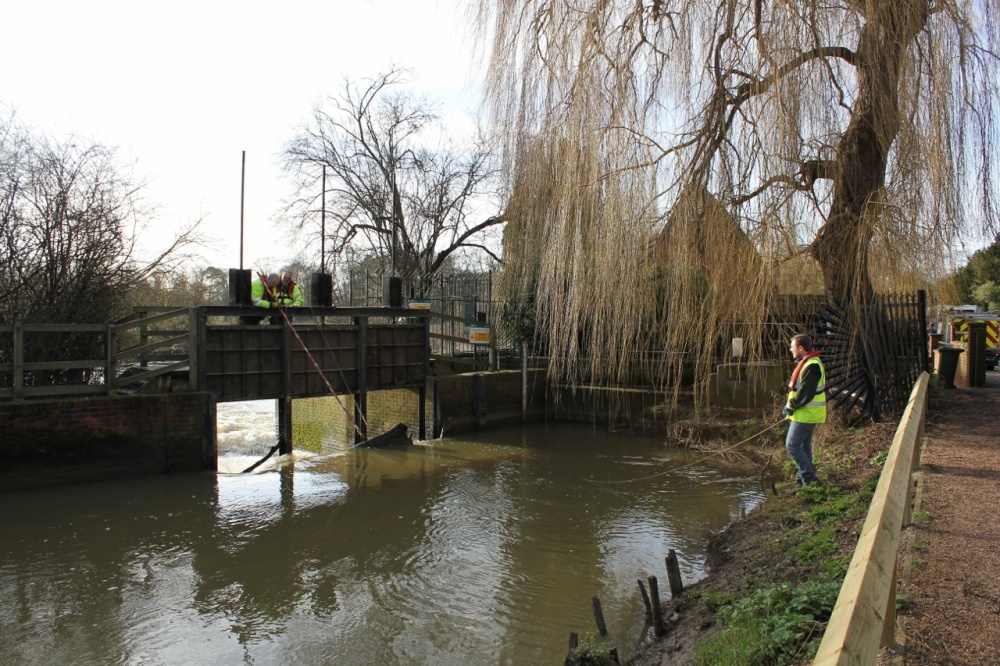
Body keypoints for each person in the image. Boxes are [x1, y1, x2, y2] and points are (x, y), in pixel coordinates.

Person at [783, 333, 827, 487]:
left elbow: (806, 393)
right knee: (804, 447)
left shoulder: (812, 365)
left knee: (792, 445)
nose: (790, 350)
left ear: (801, 348)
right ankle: (802, 480)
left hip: (806, 414)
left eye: (792, 347)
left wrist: (791, 406)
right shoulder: (809, 363)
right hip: (805, 413)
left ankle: (809, 479)